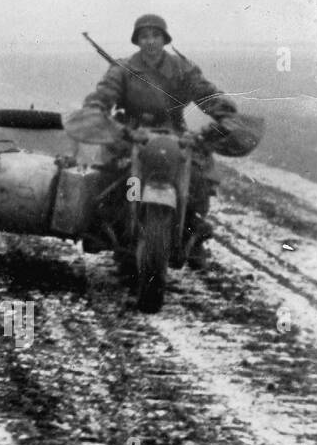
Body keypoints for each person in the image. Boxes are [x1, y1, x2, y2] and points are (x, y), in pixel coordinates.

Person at [82, 13, 238, 268]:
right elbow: (104, 93)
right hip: (132, 132)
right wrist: (98, 108)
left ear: (164, 39)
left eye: (155, 35)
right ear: (137, 40)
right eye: (145, 36)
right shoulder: (123, 69)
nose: (151, 41)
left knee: (197, 177)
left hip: (173, 131)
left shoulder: (182, 68)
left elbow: (205, 93)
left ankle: (191, 230)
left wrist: (223, 110)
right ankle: (110, 229)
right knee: (114, 178)